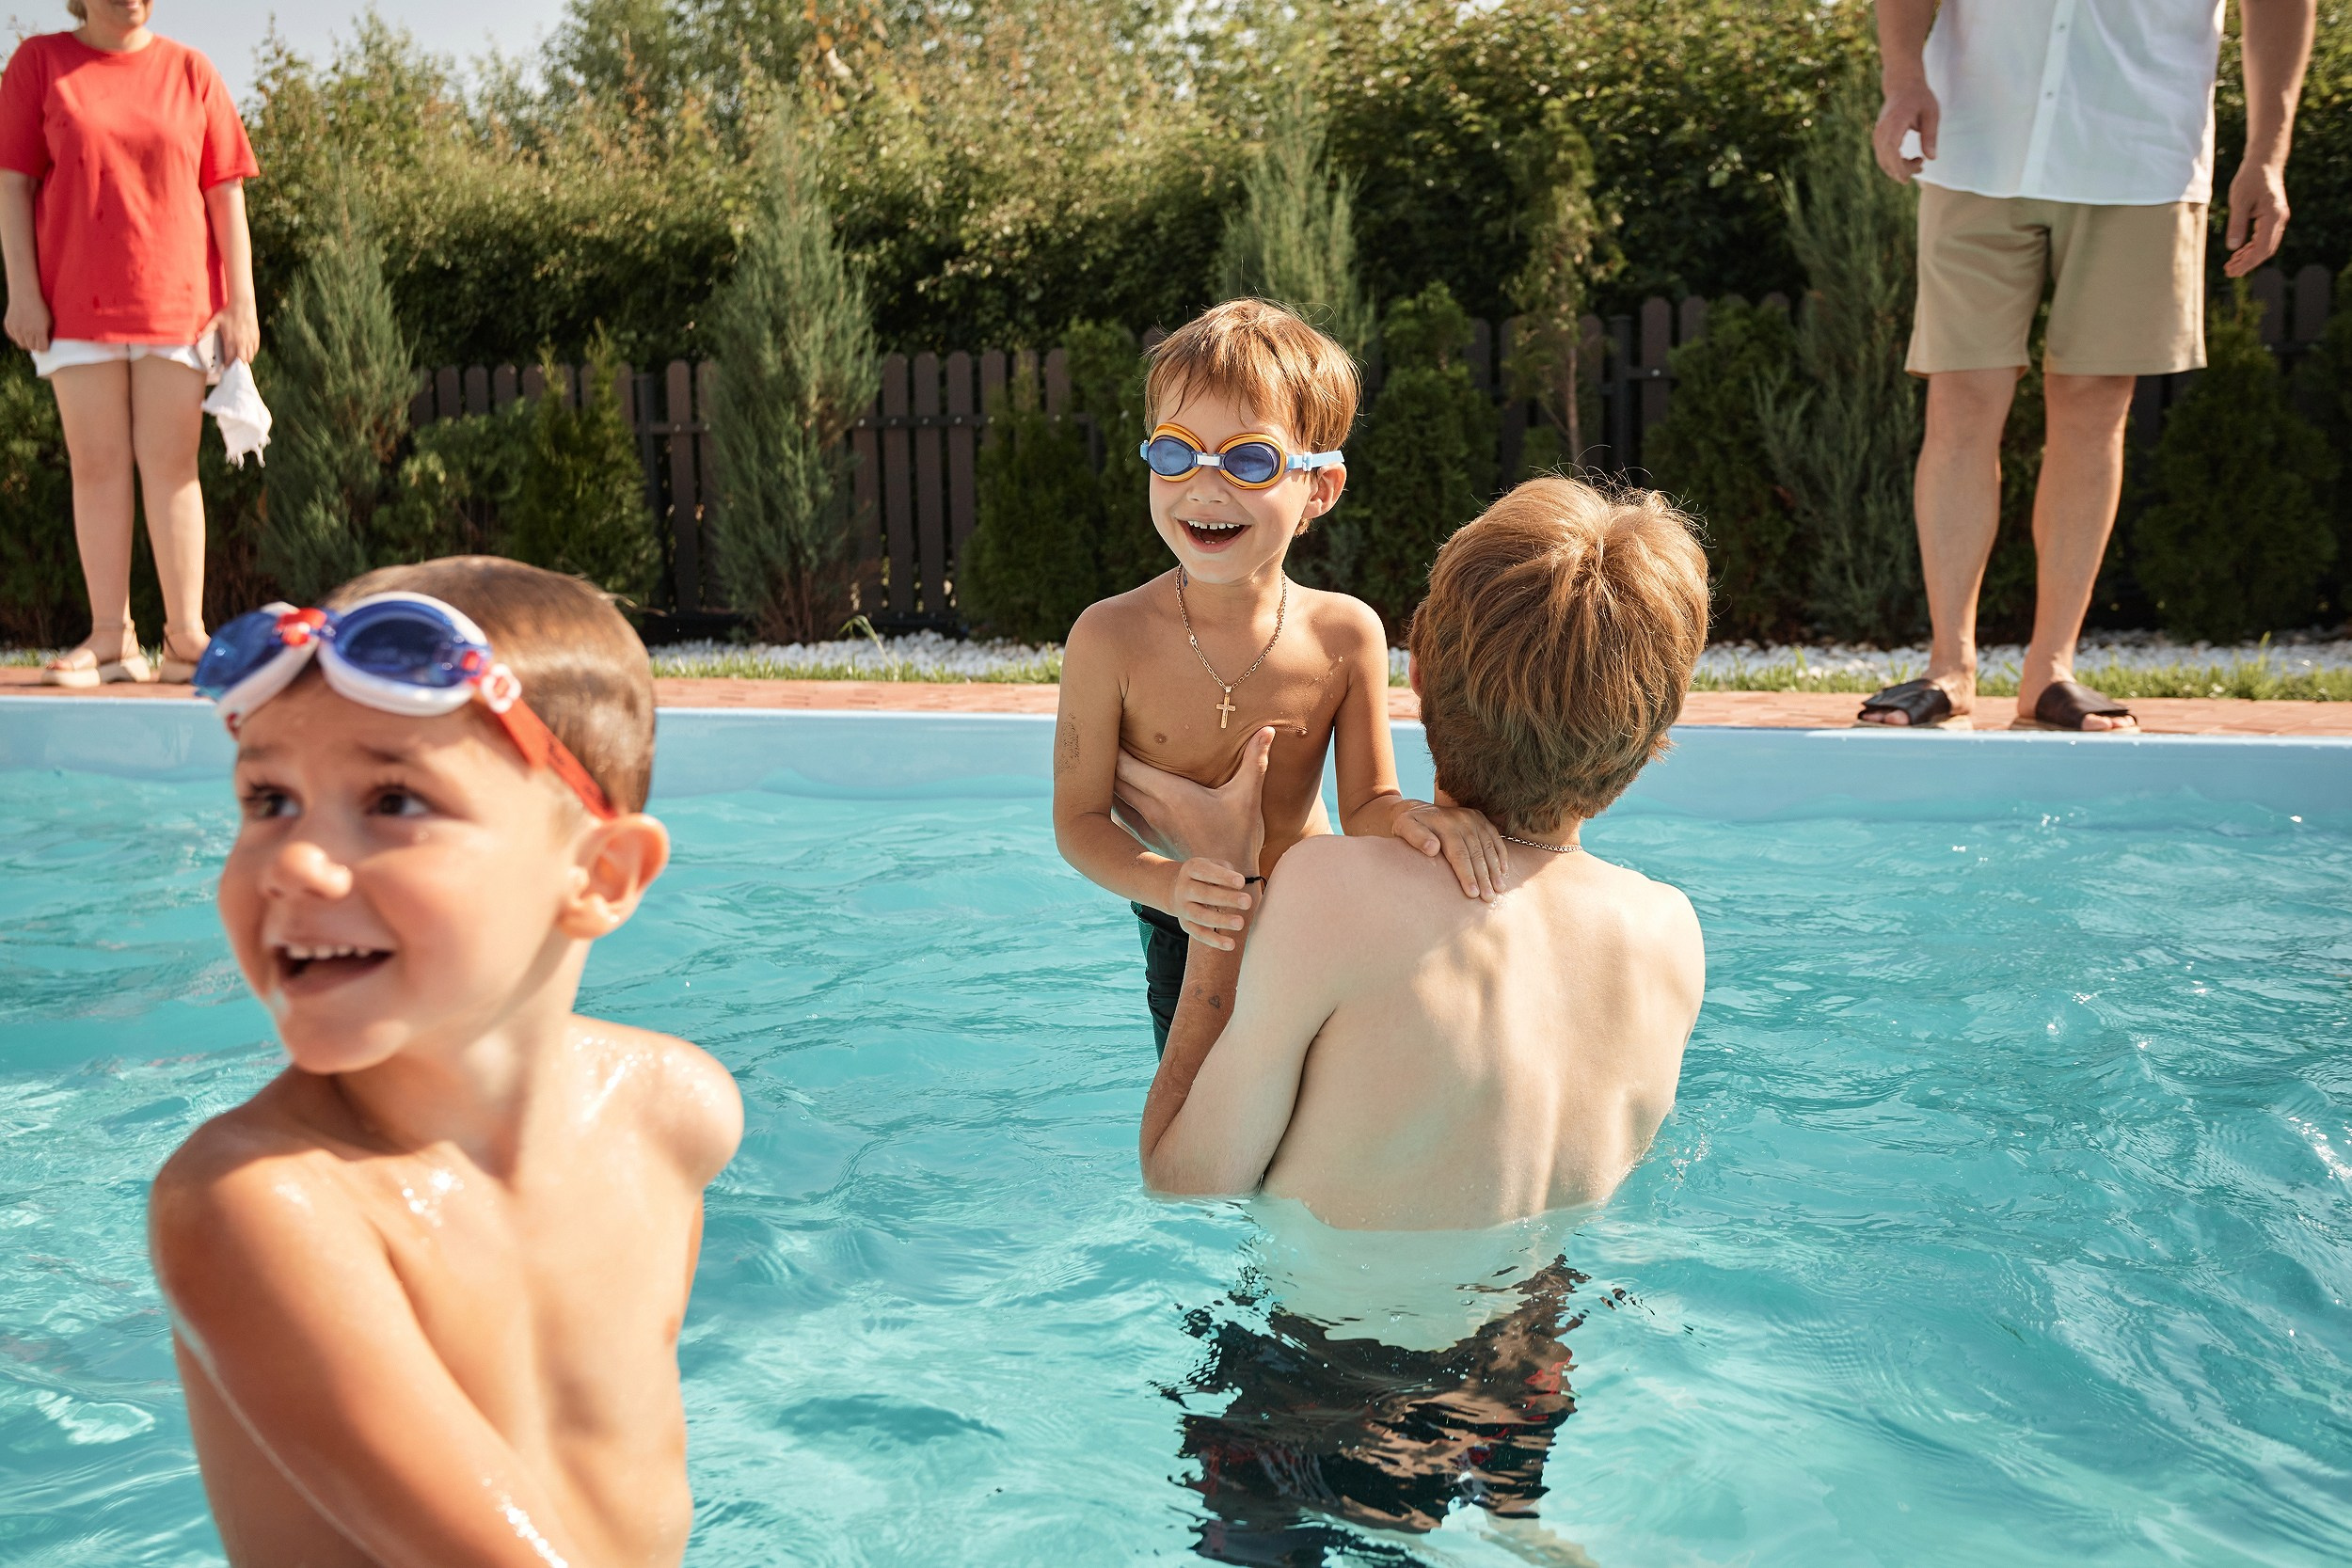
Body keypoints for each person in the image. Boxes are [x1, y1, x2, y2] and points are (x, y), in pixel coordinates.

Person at [148, 558, 742, 1567]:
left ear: (600, 875)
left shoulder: (674, 1115)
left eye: (392, 798)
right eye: (269, 800)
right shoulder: (256, 1203)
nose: (290, 860)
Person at [1126, 475, 1708, 1229]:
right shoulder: (1669, 934)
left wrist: (1220, 888)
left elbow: (1186, 1181)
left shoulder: (1330, 892)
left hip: (1330, 1348)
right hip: (1549, 1338)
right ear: (1658, 726)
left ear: (1420, 672)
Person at [1053, 297, 1505, 1055]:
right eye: (1174, 453)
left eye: (1248, 460)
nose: (1204, 485)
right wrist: (1172, 888)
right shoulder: (1108, 637)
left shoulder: (1343, 634)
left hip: (1312, 910)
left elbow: (1366, 802)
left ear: (1319, 490)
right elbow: (1077, 823)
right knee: (1200, 1122)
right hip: (1184, 920)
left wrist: (1411, 818)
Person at [1861, 0, 2316, 733]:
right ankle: (1949, 666)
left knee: (2094, 409)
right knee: (1960, 401)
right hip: (1976, 139)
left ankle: (2052, 670)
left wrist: (2267, 153)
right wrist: (1903, 76)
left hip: (2140, 149)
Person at [0, 0, 259, 687]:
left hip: (176, 301)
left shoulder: (192, 71)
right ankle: (111, 641)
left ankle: (184, 640)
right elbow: (13, 185)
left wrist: (242, 303)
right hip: (72, 304)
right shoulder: (39, 65)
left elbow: (226, 195)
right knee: (98, 466)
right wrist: (21, 291)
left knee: (175, 468)